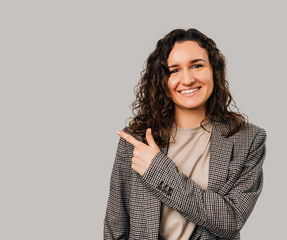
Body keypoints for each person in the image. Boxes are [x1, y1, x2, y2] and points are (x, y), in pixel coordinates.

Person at [103, 28, 267, 240]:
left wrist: (157, 170)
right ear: (162, 80)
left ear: (214, 71)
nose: (188, 79)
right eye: (174, 70)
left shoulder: (248, 140)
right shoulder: (136, 140)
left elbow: (231, 220)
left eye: (197, 66)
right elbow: (115, 226)